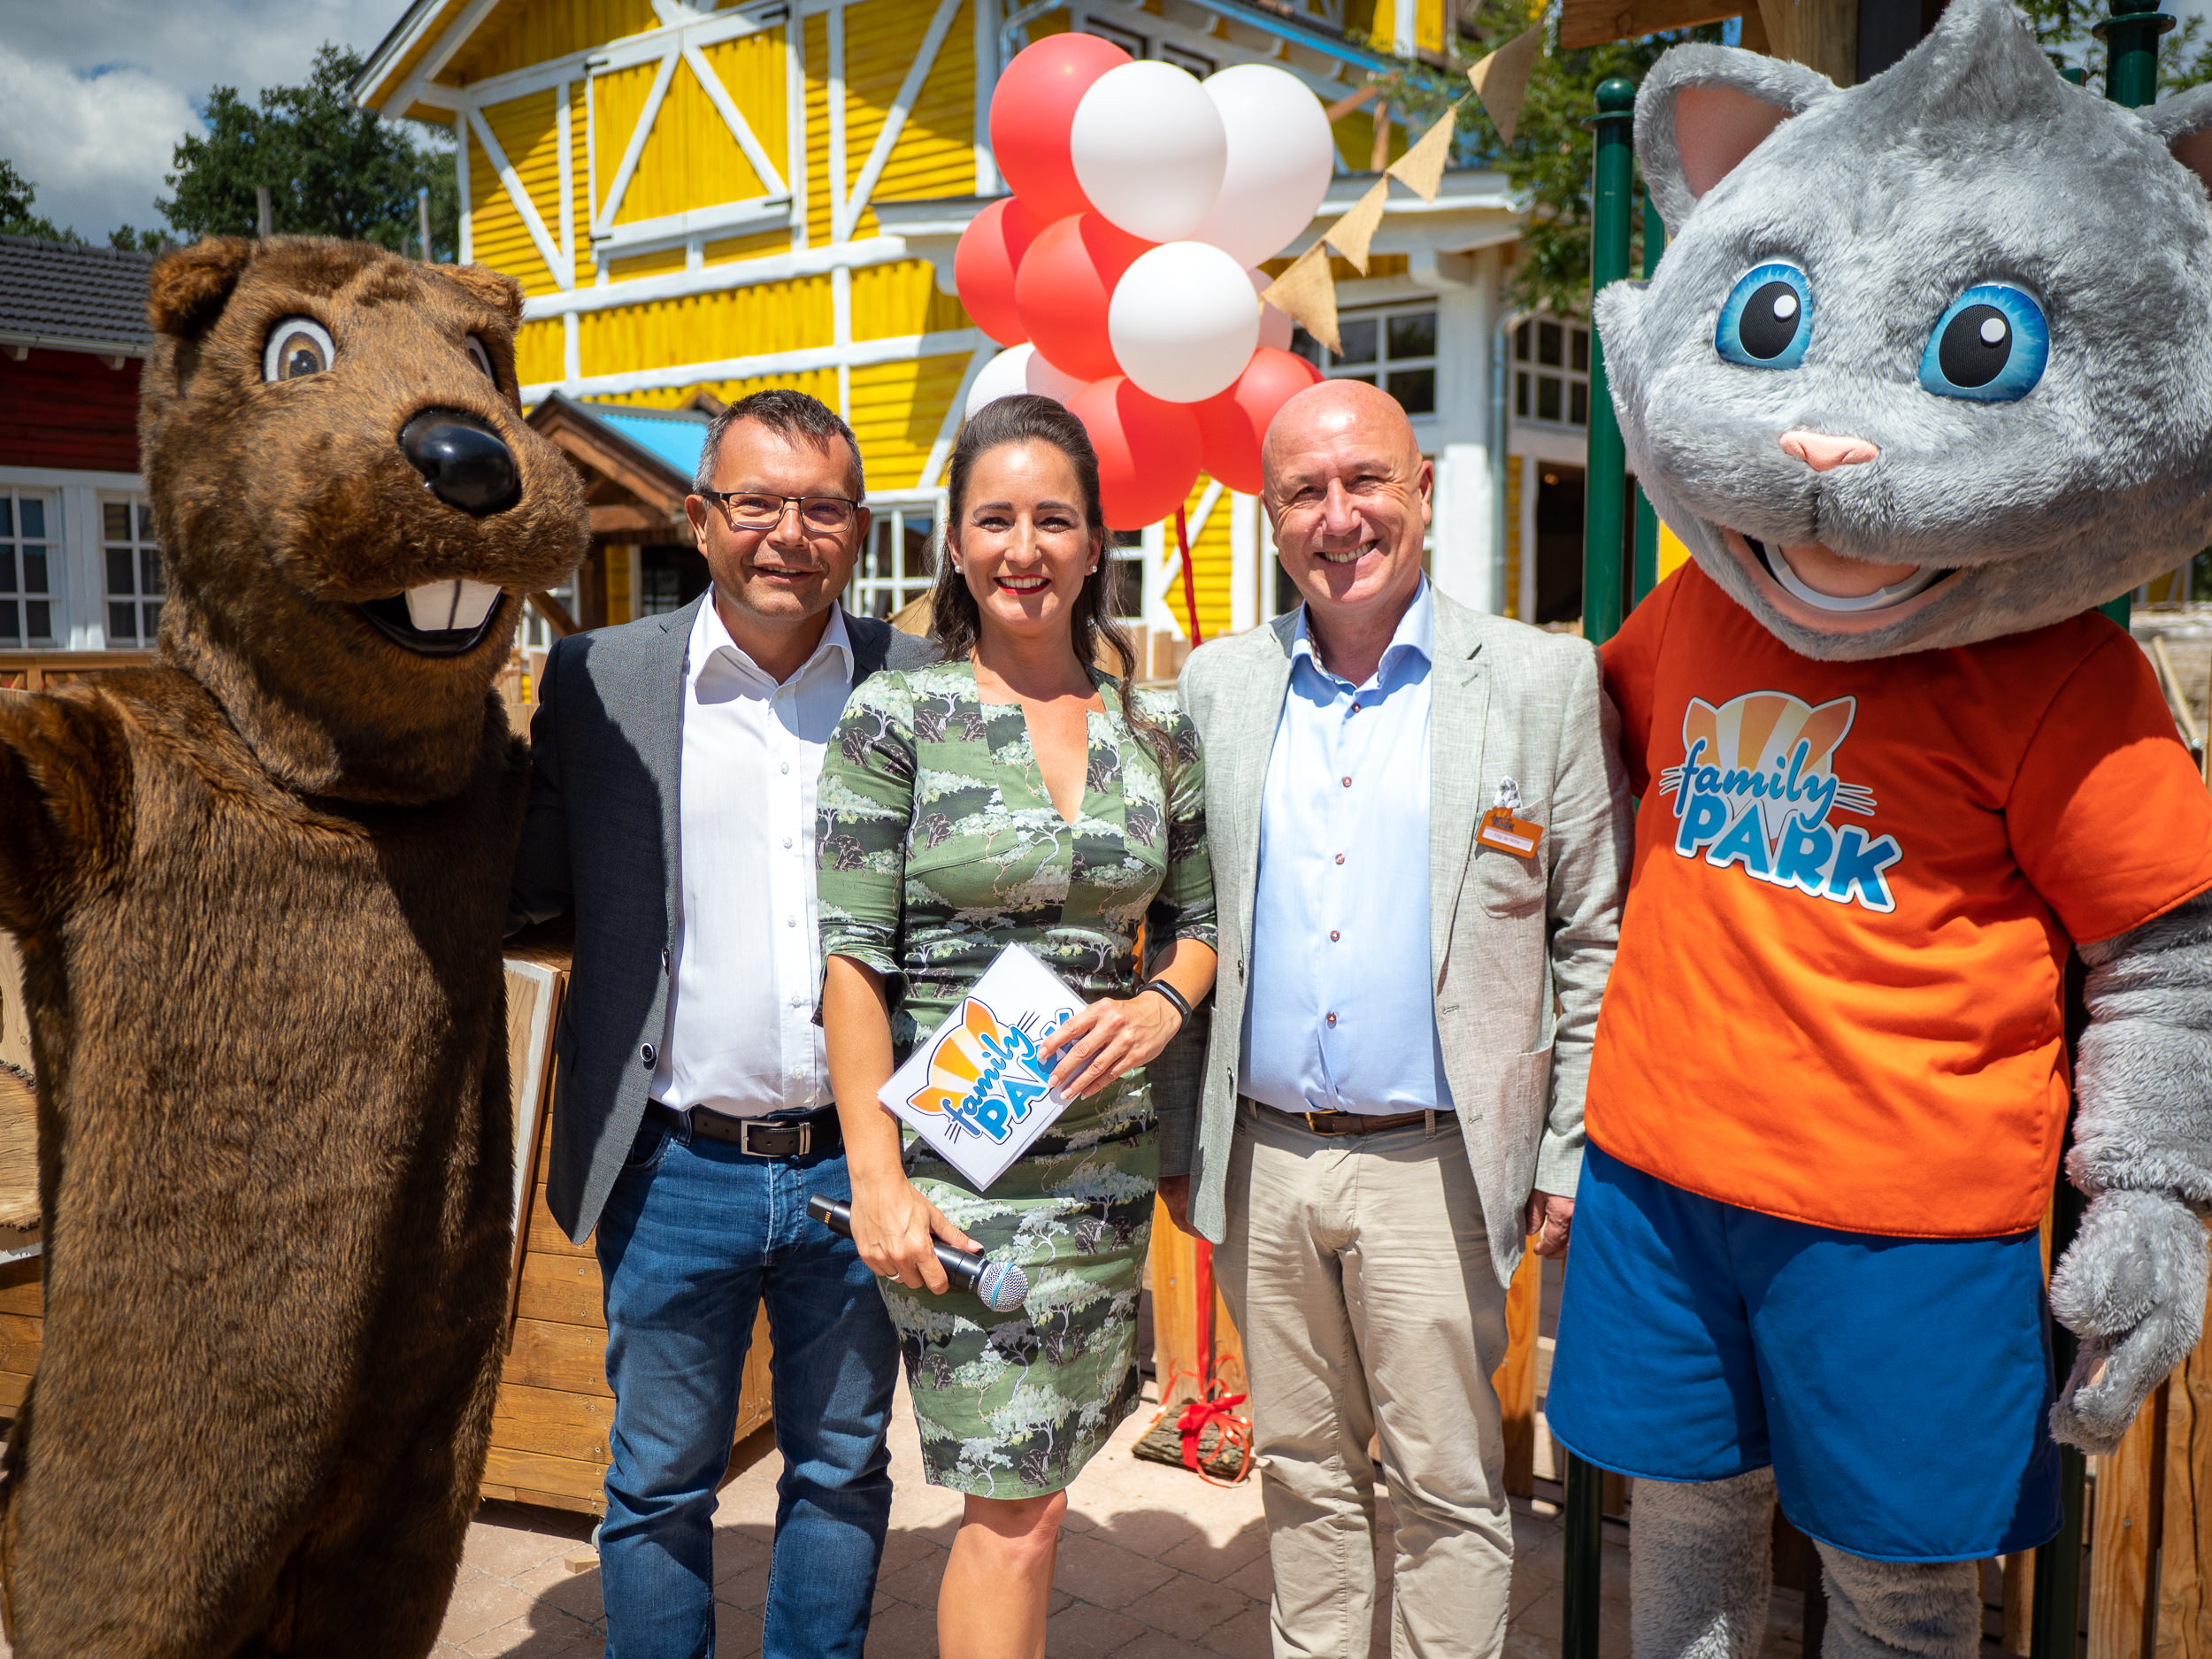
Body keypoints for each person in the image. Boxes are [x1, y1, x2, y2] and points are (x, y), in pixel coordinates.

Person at [1159, 378, 1631, 1659]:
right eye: (1304, 493)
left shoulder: (1539, 681)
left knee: (1447, 1486)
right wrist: (1179, 1138)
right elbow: (1181, 919)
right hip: (1262, 1159)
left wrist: (1565, 1149)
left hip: (1440, 1164)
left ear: (1422, 489)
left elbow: (1594, 932)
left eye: (1365, 480)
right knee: (1301, 1470)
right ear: (1271, 519)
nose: (1340, 517)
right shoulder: (1219, 686)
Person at [509, 388, 933, 1659]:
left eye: (820, 508)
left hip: (862, 1166)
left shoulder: (920, 685)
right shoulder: (602, 681)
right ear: (699, 519)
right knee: (655, 1488)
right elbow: (529, 888)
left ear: (859, 530)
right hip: (671, 1165)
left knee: (842, 1469)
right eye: (756, 504)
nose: (788, 535)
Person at [816, 393, 1218, 1659]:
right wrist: (876, 1182)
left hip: (1100, 1178)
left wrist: (1160, 1003)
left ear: (1096, 544)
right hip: (955, 1173)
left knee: (1037, 1502)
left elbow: (1202, 922)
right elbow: (851, 962)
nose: (1023, 548)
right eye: (994, 519)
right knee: (1010, 1511)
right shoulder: (896, 719)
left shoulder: (1154, 726)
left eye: (1054, 519)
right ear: (953, 543)